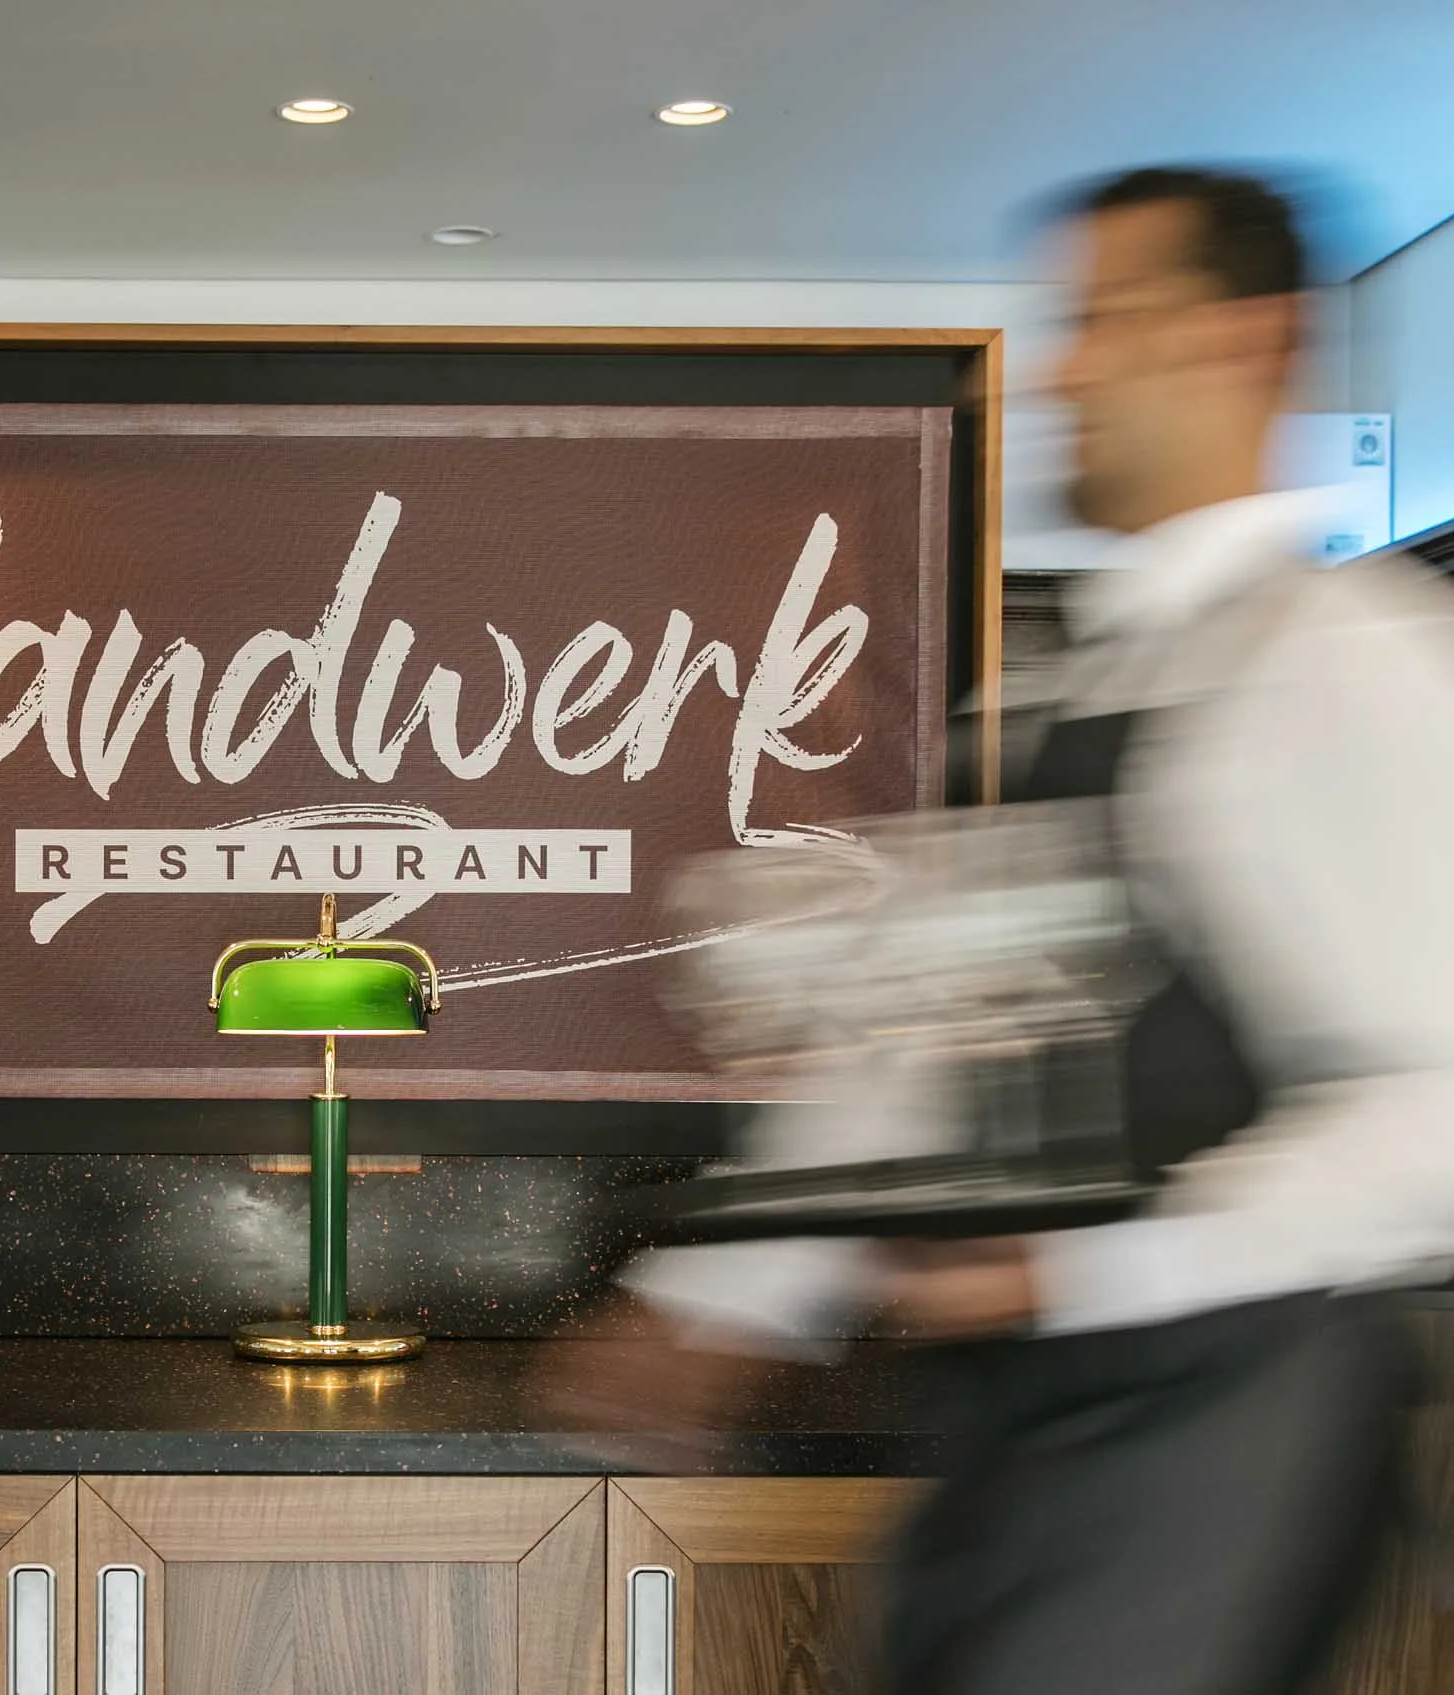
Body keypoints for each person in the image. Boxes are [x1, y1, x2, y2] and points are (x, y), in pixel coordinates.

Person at [554, 166, 1454, 1694]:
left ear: (1251, 339)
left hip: (1236, 1417)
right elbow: (923, 1047)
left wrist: (1079, 1269)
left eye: (1111, 320)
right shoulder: (1044, 695)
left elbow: (1431, 1109)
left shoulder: (1351, 669)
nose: (1064, 372)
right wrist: (719, 1297)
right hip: (1025, 1412)